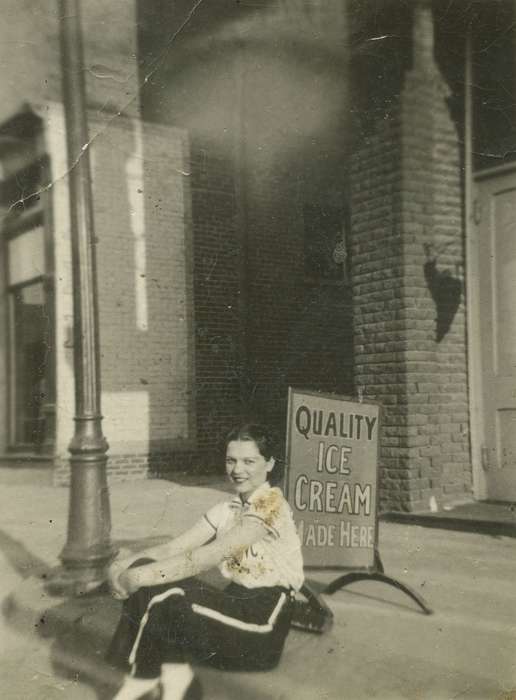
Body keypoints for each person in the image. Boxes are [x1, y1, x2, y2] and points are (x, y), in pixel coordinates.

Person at [106, 423, 304, 700]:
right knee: (147, 569)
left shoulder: (271, 505)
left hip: (260, 627)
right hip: (233, 607)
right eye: (231, 460)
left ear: (269, 463)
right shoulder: (228, 508)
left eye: (249, 461)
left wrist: (136, 579)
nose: (237, 470)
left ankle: (141, 682)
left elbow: (203, 558)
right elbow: (174, 548)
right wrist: (124, 566)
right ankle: (174, 680)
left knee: (167, 594)